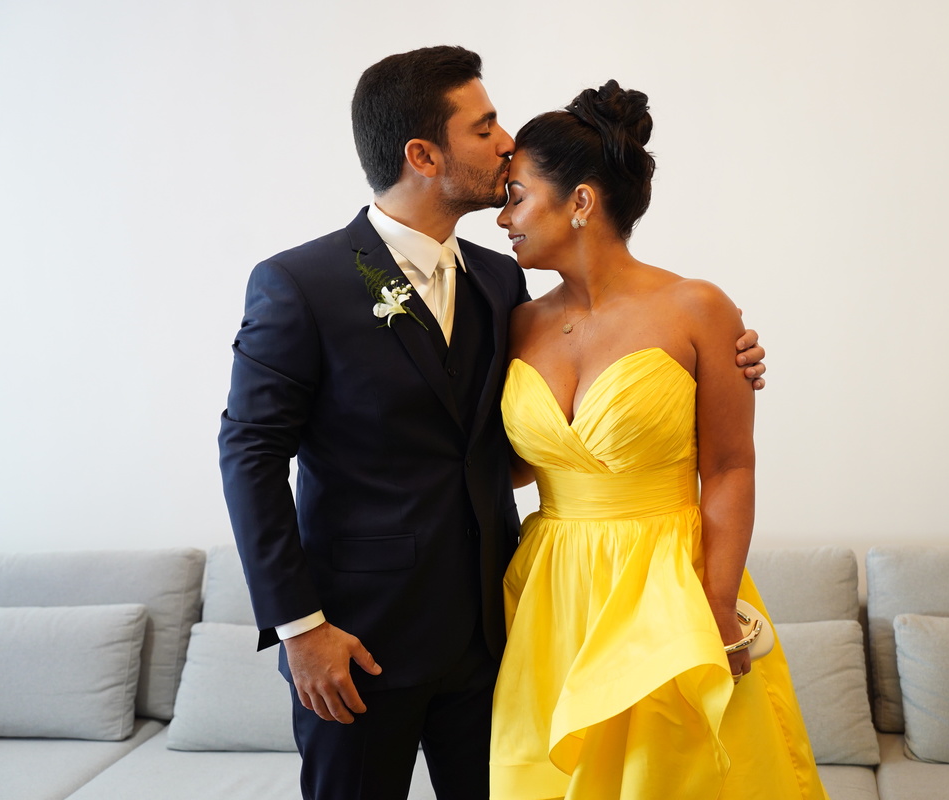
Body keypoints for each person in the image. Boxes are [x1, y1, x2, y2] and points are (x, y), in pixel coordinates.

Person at [218, 48, 767, 800]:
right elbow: (249, 456)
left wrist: (724, 365)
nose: (505, 142)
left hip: (502, 633)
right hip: (358, 641)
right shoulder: (299, 284)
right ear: (422, 155)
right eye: (484, 128)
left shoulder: (503, 281)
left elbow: (522, 435)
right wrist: (300, 627)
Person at [489, 81, 828, 799]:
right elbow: (513, 465)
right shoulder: (517, 322)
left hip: (668, 586)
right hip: (553, 592)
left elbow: (730, 467)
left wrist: (716, 604)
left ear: (581, 201)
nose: (503, 218)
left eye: (515, 196)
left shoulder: (697, 308)